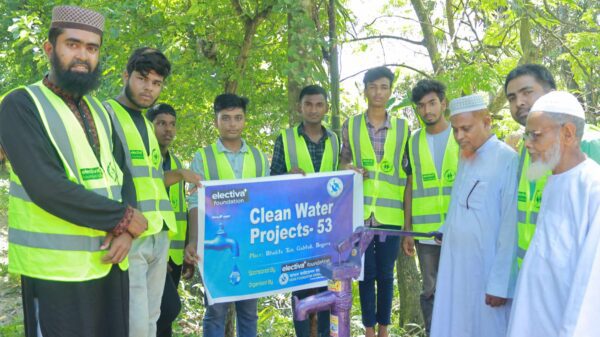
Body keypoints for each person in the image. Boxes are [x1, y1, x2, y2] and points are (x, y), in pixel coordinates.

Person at [0, 6, 148, 337]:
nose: (82, 55)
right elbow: (46, 186)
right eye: (73, 44)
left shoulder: (100, 109)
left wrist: (126, 230)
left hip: (109, 263)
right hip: (56, 274)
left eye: (91, 48)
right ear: (50, 49)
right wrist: (123, 219)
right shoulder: (20, 104)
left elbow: (122, 174)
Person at [103, 48, 199, 337]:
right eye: (142, 79)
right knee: (134, 324)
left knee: (152, 321)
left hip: (159, 236)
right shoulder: (106, 116)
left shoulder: (146, 125)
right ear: (126, 76)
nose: (149, 88)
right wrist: (120, 226)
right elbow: (103, 180)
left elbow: (152, 179)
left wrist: (182, 174)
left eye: (156, 83)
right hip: (130, 236)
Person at [506, 91, 600, 337]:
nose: (527, 143)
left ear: (567, 134)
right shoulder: (552, 181)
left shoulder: (593, 188)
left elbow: (591, 286)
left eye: (536, 135)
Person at [430, 94, 518, 337]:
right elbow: (458, 205)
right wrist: (445, 230)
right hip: (455, 266)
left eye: (466, 129)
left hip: (486, 273)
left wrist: (501, 284)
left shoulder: (507, 159)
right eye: (456, 130)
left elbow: (511, 227)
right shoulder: (466, 156)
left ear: (487, 122)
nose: (459, 137)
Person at [186, 94, 270, 337]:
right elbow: (195, 202)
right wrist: (194, 240)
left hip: (249, 245)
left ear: (245, 121)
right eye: (226, 118)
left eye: (237, 118)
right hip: (214, 248)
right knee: (215, 313)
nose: (232, 124)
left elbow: (267, 202)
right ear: (216, 121)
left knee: (249, 313)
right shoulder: (203, 157)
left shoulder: (258, 157)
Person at [339, 66, 412, 337]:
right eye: (373, 87)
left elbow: (408, 177)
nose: (378, 92)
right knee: (365, 275)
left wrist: (407, 226)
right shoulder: (352, 125)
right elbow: (342, 160)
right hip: (359, 215)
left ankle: (384, 330)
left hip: (391, 217)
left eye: (383, 87)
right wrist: (349, 168)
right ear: (365, 90)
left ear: (390, 91)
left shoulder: (404, 128)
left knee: (385, 274)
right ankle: (368, 330)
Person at [504, 64, 600, 267]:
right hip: (531, 275)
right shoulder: (525, 147)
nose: (519, 103)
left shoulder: (589, 143)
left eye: (526, 92)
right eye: (512, 98)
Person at [270, 84, 339, 337]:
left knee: (325, 287)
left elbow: (340, 180)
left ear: (326, 108)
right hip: (295, 228)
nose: (313, 109)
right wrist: (286, 177)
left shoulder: (334, 139)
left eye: (319, 104)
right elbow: (271, 182)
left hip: (327, 228)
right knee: (300, 287)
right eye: (308, 104)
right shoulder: (285, 139)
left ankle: (323, 334)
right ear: (300, 107)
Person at [401, 80, 458, 336]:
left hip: (460, 228)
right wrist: (408, 229)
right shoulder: (413, 141)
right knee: (431, 289)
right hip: (426, 234)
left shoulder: (461, 133)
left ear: (443, 103)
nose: (427, 111)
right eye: (421, 106)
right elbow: (410, 185)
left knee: (461, 285)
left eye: (432, 103)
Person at [146, 103, 194, 336]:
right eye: (161, 123)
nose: (168, 129)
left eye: (172, 124)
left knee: (163, 321)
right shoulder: (144, 160)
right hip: (152, 252)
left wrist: (186, 250)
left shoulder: (175, 163)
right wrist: (157, 255)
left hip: (173, 255)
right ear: (149, 126)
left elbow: (180, 210)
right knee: (167, 308)